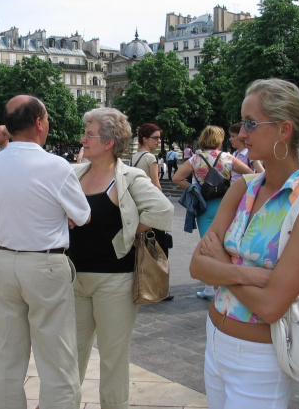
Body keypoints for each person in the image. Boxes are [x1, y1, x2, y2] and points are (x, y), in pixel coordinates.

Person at [190, 78, 299, 408]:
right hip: (215, 342)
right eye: (241, 124)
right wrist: (254, 275)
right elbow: (196, 265)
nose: (240, 134)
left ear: (283, 130)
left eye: (250, 124)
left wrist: (223, 266)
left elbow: (271, 307)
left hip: (259, 360)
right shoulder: (243, 188)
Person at [0, 95, 91, 409]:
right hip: (44, 264)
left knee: (6, 356)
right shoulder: (56, 166)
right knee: (57, 359)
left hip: (4, 261)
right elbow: (82, 215)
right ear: (39, 124)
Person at [69, 108, 173, 409]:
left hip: (115, 281)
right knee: (70, 355)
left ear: (109, 142)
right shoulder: (76, 173)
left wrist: (125, 238)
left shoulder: (129, 177)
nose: (83, 139)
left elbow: (163, 211)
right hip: (74, 277)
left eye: (89, 134)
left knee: (113, 359)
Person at [173, 125, 253, 300]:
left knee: (207, 245)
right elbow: (250, 175)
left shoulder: (195, 159)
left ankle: (210, 287)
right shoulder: (228, 158)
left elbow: (176, 178)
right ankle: (227, 284)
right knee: (226, 245)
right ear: (219, 140)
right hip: (226, 205)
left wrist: (195, 189)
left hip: (204, 206)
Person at [132, 123, 162, 190]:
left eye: (159, 138)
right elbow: (156, 186)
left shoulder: (134, 156)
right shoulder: (150, 157)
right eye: (155, 138)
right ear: (145, 139)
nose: (159, 141)